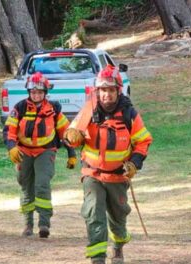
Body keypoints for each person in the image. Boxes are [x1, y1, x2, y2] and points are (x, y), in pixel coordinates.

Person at [64, 65, 152, 264]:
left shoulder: (129, 114)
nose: (106, 95)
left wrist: (134, 163)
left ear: (118, 91)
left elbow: (143, 141)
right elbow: (72, 136)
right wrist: (72, 136)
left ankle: (118, 245)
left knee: (118, 215)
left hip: (117, 176)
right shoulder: (88, 110)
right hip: (92, 174)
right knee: (94, 212)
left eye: (111, 90)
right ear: (97, 91)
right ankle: (98, 257)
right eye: (103, 90)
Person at [3, 72, 76, 238]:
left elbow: (66, 133)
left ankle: (44, 223)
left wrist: (71, 154)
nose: (36, 95)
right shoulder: (19, 108)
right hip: (24, 151)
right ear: (29, 92)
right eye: (33, 92)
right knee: (25, 184)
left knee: (42, 184)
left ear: (45, 93)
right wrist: (11, 147)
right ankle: (28, 223)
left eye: (40, 92)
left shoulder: (54, 110)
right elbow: (9, 131)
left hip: (45, 151)